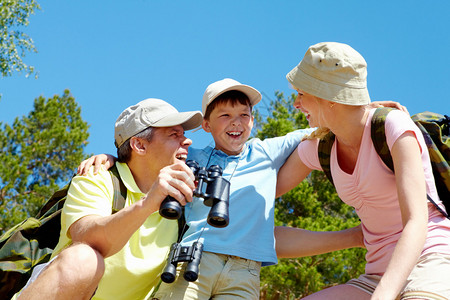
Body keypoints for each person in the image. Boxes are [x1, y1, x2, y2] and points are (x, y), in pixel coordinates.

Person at [81, 78, 406, 299]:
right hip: (194, 259)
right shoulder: (192, 154)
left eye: (244, 115)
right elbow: (150, 154)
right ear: (206, 125)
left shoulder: (267, 151)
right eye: (224, 116)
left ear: (253, 120)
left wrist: (364, 110)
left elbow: (321, 129)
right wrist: (111, 157)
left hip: (246, 271)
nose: (236, 123)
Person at [275, 42, 450, 300]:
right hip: (377, 275)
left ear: (327, 96)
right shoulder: (320, 147)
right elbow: (267, 191)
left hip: (431, 258)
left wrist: (383, 296)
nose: (296, 103)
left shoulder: (393, 126)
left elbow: (416, 222)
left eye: (301, 93)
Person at [15, 99, 203, 300]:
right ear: (139, 145)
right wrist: (149, 203)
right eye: (174, 134)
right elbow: (88, 239)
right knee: (84, 258)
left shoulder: (186, 195)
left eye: (183, 134)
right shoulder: (98, 177)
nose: (187, 141)